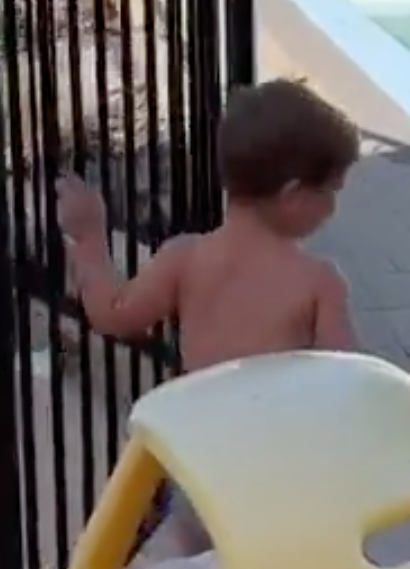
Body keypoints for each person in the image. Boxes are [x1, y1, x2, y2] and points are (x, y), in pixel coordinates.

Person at [56, 77, 362, 556]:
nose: (334, 206)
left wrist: (91, 239)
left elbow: (114, 315)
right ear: (294, 195)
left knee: (201, 553)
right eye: (332, 191)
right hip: (273, 478)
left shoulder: (185, 257)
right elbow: (347, 383)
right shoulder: (318, 282)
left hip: (199, 466)